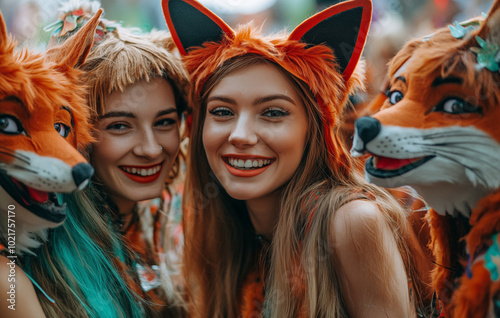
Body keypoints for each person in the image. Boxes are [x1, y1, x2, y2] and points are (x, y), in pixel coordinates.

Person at [162, 0, 430, 317]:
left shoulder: (352, 223)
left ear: (314, 130)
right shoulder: (223, 233)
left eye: (273, 113)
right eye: (222, 112)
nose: (241, 135)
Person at [21, 2, 191, 316]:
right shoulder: (31, 267)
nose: (151, 149)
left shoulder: (167, 229)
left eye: (164, 121)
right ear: (74, 136)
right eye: (120, 126)